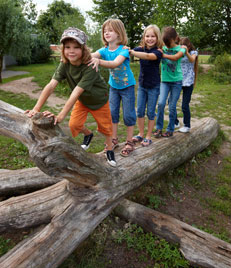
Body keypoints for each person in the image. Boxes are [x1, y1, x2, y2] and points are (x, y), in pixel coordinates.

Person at [25, 27, 116, 167]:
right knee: (74, 124)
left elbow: (75, 93)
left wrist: (60, 115)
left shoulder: (89, 66)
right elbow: (51, 85)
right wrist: (36, 108)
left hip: (99, 101)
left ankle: (109, 149)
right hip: (83, 100)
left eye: (76, 47)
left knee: (106, 128)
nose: (71, 51)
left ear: (83, 49)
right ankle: (88, 134)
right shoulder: (65, 63)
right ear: (63, 49)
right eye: (67, 47)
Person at [89, 18, 136, 157]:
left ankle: (129, 142)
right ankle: (114, 140)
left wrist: (99, 61)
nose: (106, 33)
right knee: (112, 114)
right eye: (105, 31)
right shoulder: (103, 50)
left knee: (128, 115)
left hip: (127, 87)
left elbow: (115, 63)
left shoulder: (124, 50)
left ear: (119, 34)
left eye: (110, 30)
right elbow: (89, 56)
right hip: (114, 87)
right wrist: (72, 57)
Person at [129, 25, 163, 146]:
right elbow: (129, 51)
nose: (150, 38)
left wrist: (133, 52)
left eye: (152, 36)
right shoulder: (140, 48)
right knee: (140, 111)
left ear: (157, 37)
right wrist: (125, 49)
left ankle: (148, 135)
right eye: (147, 36)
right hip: (142, 85)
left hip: (154, 86)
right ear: (144, 37)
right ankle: (141, 134)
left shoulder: (158, 51)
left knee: (150, 112)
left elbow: (149, 57)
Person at [153, 26, 186, 138]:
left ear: (175, 38)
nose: (167, 46)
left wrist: (163, 54)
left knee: (172, 106)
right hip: (165, 81)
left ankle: (170, 129)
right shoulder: (163, 47)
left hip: (176, 82)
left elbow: (176, 57)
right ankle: (158, 128)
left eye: (169, 43)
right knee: (161, 103)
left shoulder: (181, 49)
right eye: (165, 43)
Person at [177, 37, 198, 133]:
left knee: (185, 105)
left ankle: (187, 125)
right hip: (178, 80)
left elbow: (191, 60)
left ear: (189, 46)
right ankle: (175, 122)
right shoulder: (178, 52)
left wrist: (186, 52)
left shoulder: (193, 52)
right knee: (171, 102)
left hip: (189, 81)